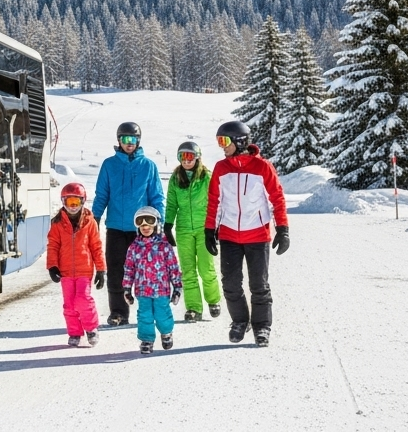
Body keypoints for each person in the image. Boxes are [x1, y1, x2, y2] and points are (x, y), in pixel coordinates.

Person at [205, 120, 290, 347]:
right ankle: (240, 321)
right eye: (218, 141)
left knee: (258, 285)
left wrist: (283, 229)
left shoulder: (263, 167)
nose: (222, 146)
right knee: (230, 284)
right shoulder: (221, 169)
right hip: (229, 235)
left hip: (257, 235)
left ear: (240, 141)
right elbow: (214, 201)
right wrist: (209, 230)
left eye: (224, 141)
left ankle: (262, 326)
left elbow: (277, 198)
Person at [92, 122, 164, 326]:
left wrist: (159, 222)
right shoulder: (109, 165)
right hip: (115, 227)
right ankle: (118, 312)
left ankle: (146, 312)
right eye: (124, 139)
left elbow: (156, 197)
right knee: (115, 271)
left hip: (142, 229)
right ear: (118, 141)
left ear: (138, 140)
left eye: (132, 139)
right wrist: (94, 218)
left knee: (144, 271)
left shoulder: (148, 166)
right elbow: (101, 195)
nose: (129, 143)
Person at [164, 140, 222, 322]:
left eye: (190, 156)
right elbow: (172, 203)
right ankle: (193, 308)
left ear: (197, 157)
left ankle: (213, 300)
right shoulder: (175, 178)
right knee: (188, 271)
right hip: (184, 230)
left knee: (206, 268)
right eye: (183, 156)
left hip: (204, 228)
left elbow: (216, 201)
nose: (187, 160)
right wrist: (167, 225)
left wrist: (216, 227)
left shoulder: (206, 177)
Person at [47, 182, 106, 347]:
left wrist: (101, 269)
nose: (72, 207)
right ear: (63, 202)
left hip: (84, 270)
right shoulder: (57, 223)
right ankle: (74, 332)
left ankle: (91, 328)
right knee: (70, 304)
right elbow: (53, 246)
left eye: (76, 202)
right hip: (65, 271)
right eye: (69, 202)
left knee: (83, 299)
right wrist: (52, 266)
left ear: (83, 201)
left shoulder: (90, 222)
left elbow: (96, 246)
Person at [121, 206, 181, 355]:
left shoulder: (164, 247)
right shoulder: (134, 248)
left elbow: (173, 268)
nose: (146, 228)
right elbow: (129, 269)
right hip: (143, 290)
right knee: (144, 315)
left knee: (162, 313)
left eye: (149, 225)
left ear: (157, 225)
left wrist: (177, 288)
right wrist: (127, 289)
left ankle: (166, 332)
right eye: (142, 226)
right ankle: (146, 340)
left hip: (161, 290)